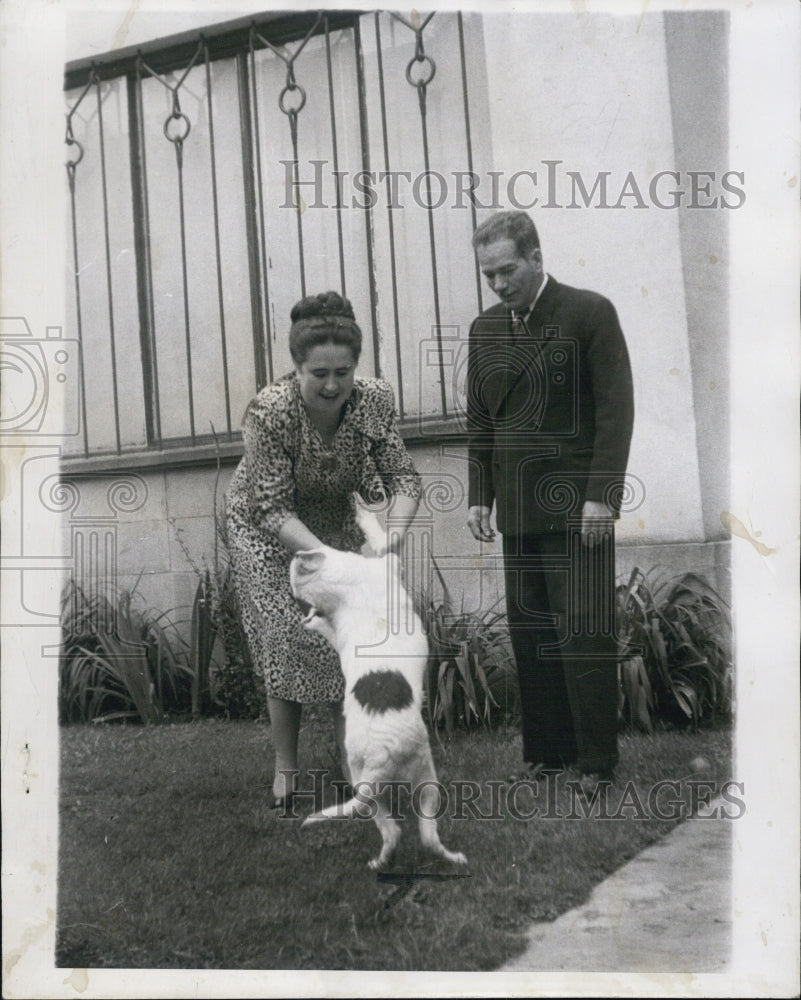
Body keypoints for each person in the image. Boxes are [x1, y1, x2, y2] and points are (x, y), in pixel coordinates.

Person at [225, 291, 421, 806]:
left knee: (347, 631)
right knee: (288, 635)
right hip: (265, 532)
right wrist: (333, 563)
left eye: (344, 371)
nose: (333, 385)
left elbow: (403, 480)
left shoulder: (375, 400)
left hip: (334, 522)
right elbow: (269, 508)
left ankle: (351, 761)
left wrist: (390, 539)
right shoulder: (269, 411)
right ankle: (286, 770)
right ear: (297, 368)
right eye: (319, 374)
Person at [465, 210, 634, 782]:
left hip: (577, 508)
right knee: (531, 629)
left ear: (537, 258)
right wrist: (477, 494)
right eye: (489, 275)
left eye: (508, 270)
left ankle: (596, 761)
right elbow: (480, 419)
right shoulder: (485, 330)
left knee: (584, 628)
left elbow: (616, 410)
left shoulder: (589, 313)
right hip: (515, 507)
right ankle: (549, 753)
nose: (499, 284)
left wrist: (602, 496)